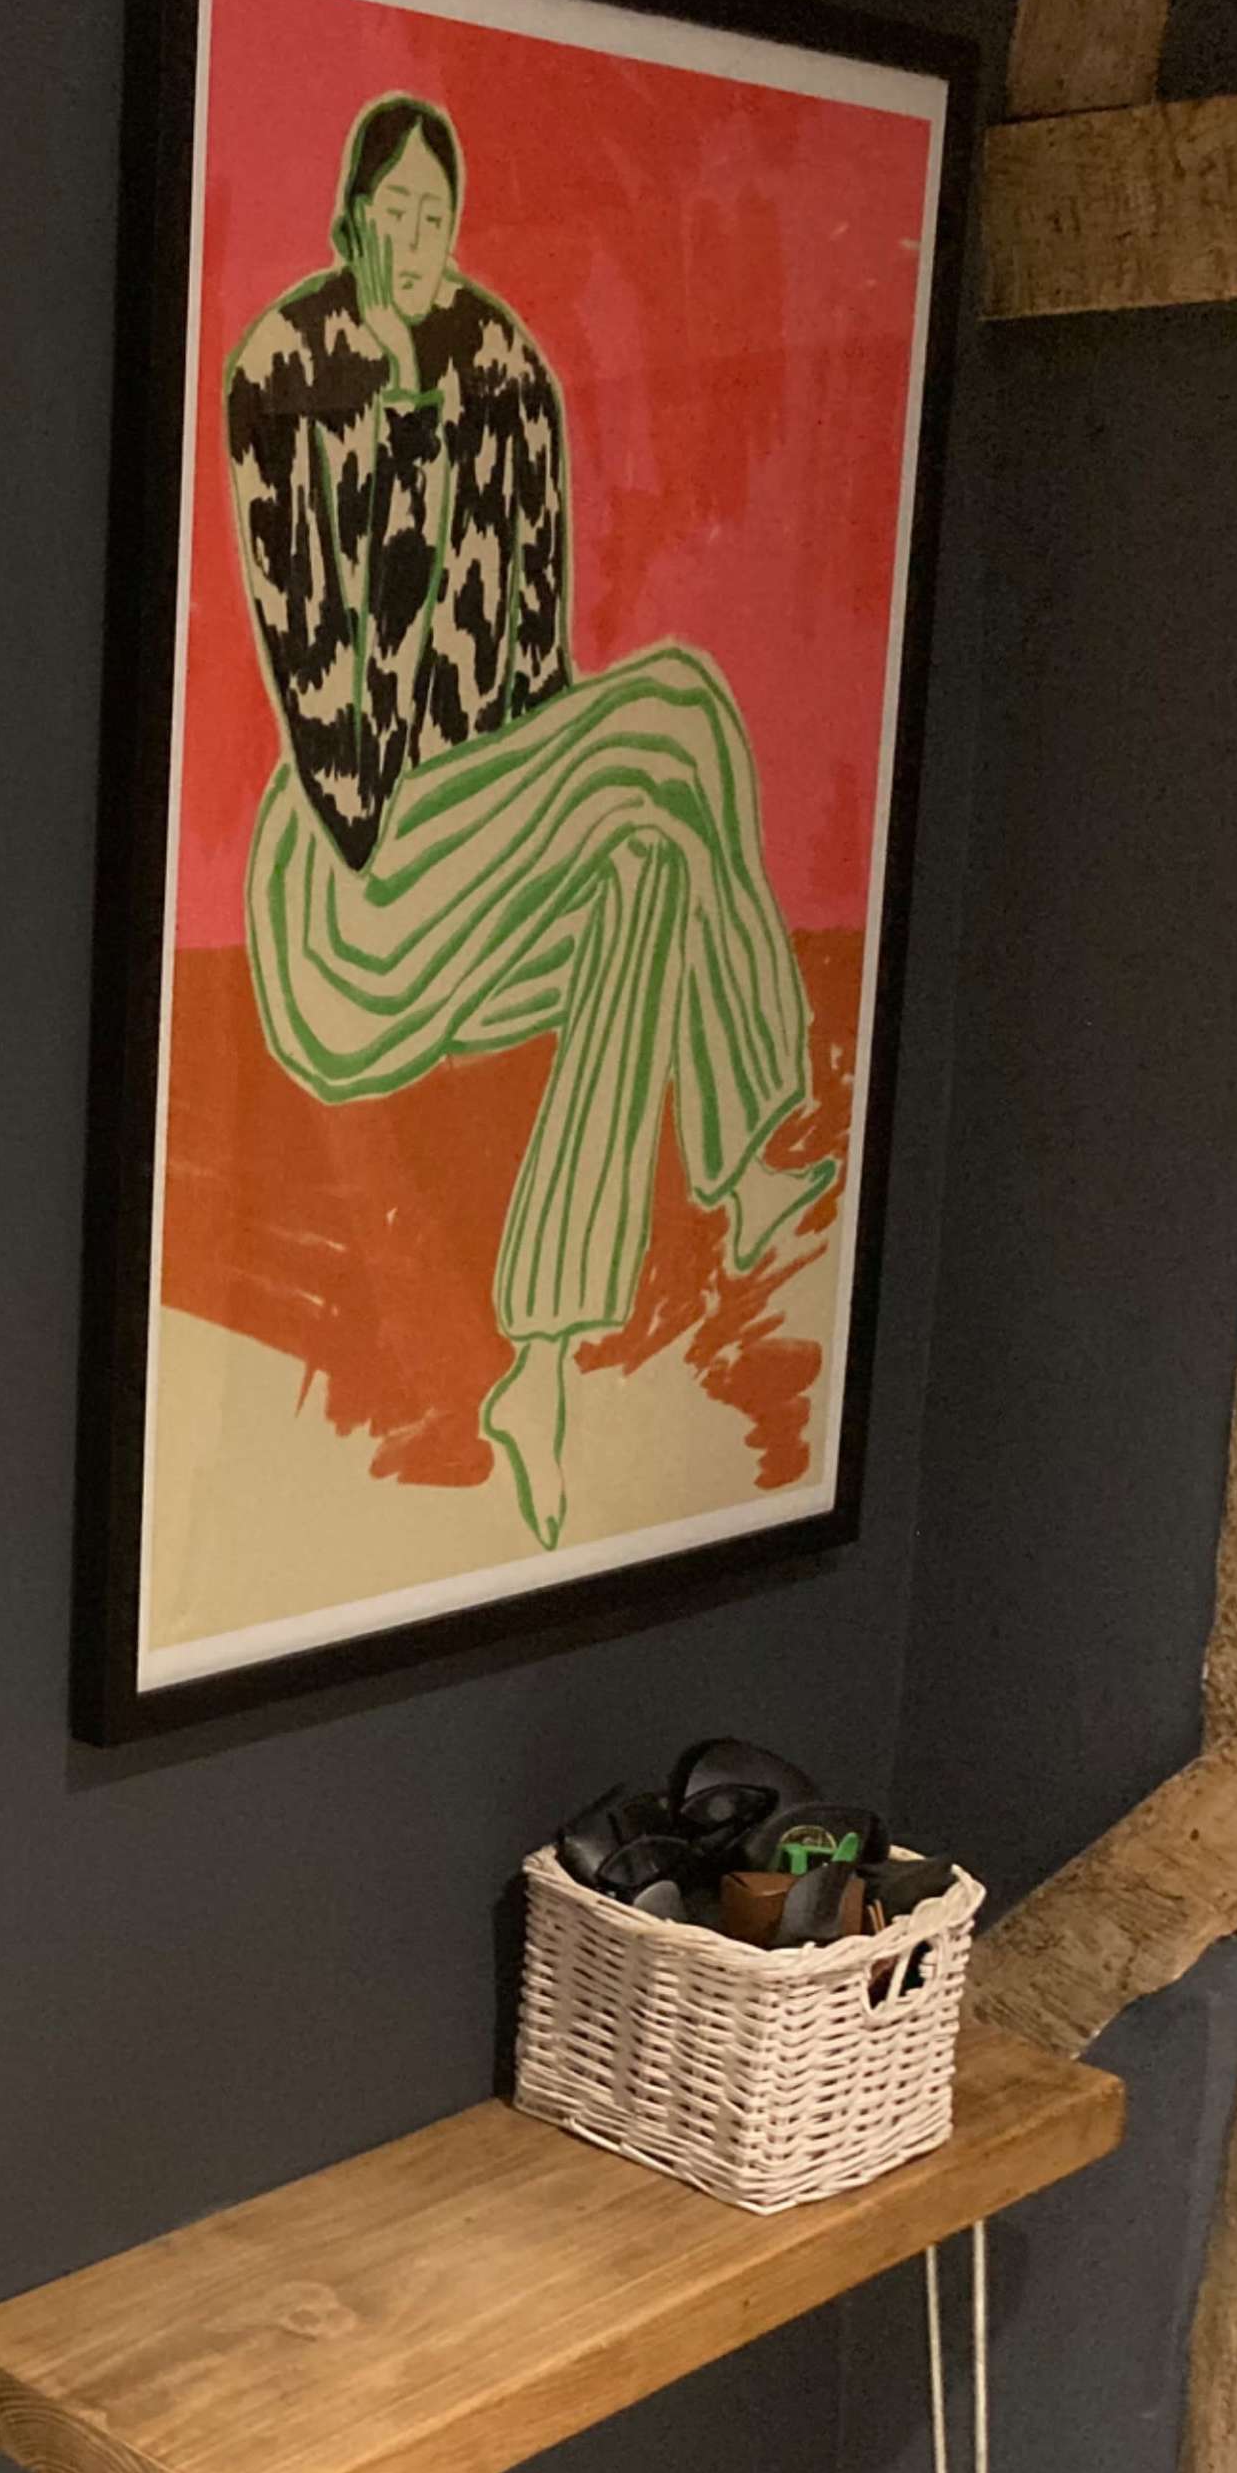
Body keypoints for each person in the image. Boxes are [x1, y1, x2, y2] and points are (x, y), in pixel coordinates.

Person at [222, 93, 833, 1549]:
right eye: (398, 214)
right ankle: (745, 1159)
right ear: (349, 221)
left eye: (442, 214)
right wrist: (460, 802)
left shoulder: (501, 366)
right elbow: (319, 687)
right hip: (352, 889)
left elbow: (537, 658)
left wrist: (532, 808)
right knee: (681, 697)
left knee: (649, 868)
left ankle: (541, 1368)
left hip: (485, 868)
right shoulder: (284, 373)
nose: (422, 241)